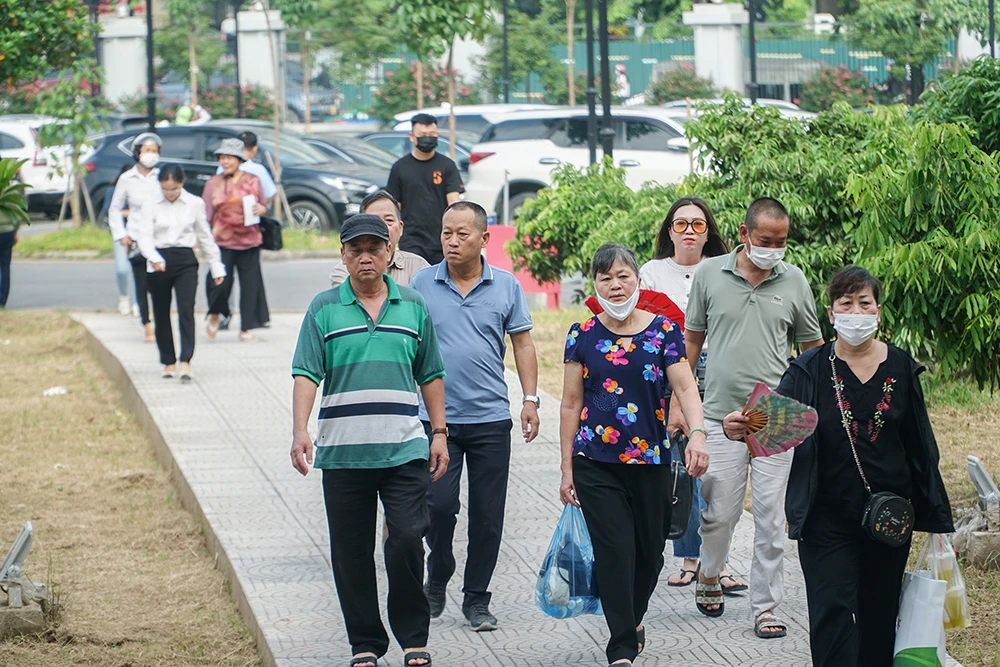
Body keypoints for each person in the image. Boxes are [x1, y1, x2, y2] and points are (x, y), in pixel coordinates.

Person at [723, 265, 955, 666]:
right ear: (831, 314)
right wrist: (737, 429)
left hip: (889, 519)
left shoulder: (901, 367)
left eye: (864, 303)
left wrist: (934, 518)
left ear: (878, 311)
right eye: (845, 303)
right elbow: (771, 422)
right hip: (825, 518)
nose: (855, 311)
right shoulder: (808, 369)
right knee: (831, 613)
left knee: (880, 615)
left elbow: (922, 446)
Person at [289, 213, 450, 667]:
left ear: (388, 254)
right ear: (343, 255)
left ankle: (414, 637)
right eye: (355, 249)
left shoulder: (413, 305)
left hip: (404, 449)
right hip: (342, 453)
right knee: (351, 552)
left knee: (406, 539)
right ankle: (365, 643)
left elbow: (431, 373)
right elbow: (306, 372)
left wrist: (439, 433)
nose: (365, 257)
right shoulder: (324, 307)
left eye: (373, 249)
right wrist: (301, 430)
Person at [560, 243, 709, 667]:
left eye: (623, 275)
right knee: (615, 551)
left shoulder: (663, 331)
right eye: (605, 277)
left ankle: (633, 618)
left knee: (649, 554)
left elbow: (684, 387)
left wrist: (697, 434)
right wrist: (567, 466)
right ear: (595, 284)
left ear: (638, 281)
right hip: (595, 461)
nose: (615, 284)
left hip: (652, 460)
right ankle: (621, 646)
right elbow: (571, 403)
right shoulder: (581, 335)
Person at [680, 197, 824, 637]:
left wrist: (803, 407)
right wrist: (680, 409)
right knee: (719, 513)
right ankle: (709, 571)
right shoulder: (709, 274)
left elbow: (812, 351)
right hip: (721, 415)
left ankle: (766, 608)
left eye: (781, 242)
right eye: (765, 240)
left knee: (770, 516)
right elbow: (691, 343)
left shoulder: (794, 280)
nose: (774, 249)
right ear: (744, 235)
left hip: (774, 418)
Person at [409, 201, 539, 632]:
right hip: (436, 421)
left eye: (462, 233)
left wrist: (530, 399)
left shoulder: (505, 286)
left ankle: (477, 598)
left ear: (485, 239)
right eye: (446, 232)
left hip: (489, 419)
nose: (451, 240)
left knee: (487, 516)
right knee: (438, 506)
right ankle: (439, 565)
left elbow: (521, 344)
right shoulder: (421, 284)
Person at [638, 198, 744, 593]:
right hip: (668, 377)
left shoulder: (722, 271)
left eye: (697, 225)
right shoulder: (650, 272)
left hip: (718, 375)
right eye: (680, 223)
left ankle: (720, 561)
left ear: (708, 232)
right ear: (669, 230)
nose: (688, 231)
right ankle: (688, 557)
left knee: (718, 469)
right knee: (682, 467)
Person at [133, 165, 226, 381]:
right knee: (161, 310)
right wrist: (154, 258)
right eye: (165, 189)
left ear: (182, 184)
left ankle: (186, 360)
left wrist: (216, 265)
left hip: (185, 259)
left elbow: (204, 236)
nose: (170, 193)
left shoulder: (194, 203)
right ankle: (168, 360)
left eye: (174, 189)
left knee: (186, 308)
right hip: (158, 259)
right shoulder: (151, 203)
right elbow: (144, 236)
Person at [204, 137, 270, 343]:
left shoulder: (253, 180)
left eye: (229, 158)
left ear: (239, 159)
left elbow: (263, 204)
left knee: (249, 286)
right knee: (220, 285)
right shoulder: (212, 183)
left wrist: (262, 209)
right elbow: (205, 214)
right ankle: (215, 314)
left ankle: (245, 328)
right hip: (222, 242)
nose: (225, 161)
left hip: (249, 241)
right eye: (222, 158)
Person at [386, 113, 463, 265]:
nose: (427, 138)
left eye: (432, 134)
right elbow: (394, 206)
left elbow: (454, 201)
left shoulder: (447, 165)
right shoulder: (400, 168)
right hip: (411, 239)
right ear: (412, 136)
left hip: (441, 237)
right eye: (422, 135)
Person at [108, 132, 161, 343]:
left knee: (158, 282)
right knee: (141, 282)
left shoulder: (162, 176)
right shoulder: (127, 179)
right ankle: (147, 324)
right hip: (136, 236)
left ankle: (159, 321)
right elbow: (114, 209)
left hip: (159, 237)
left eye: (155, 151)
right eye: (147, 151)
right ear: (138, 153)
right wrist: (121, 234)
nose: (151, 155)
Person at [330, 190, 429, 288]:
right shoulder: (345, 271)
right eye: (374, 221)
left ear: (400, 228)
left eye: (389, 220)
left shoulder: (418, 266)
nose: (382, 227)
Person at [105, 164, 138, 317]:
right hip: (120, 234)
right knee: (122, 268)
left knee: (139, 270)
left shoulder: (141, 191)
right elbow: (110, 211)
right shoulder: (112, 191)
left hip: (139, 234)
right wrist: (127, 213)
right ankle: (124, 297)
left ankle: (138, 302)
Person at [0, 205, 19, 309]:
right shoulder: (10, 193)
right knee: (4, 267)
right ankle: (2, 301)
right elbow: (17, 214)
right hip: (7, 232)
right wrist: (15, 231)